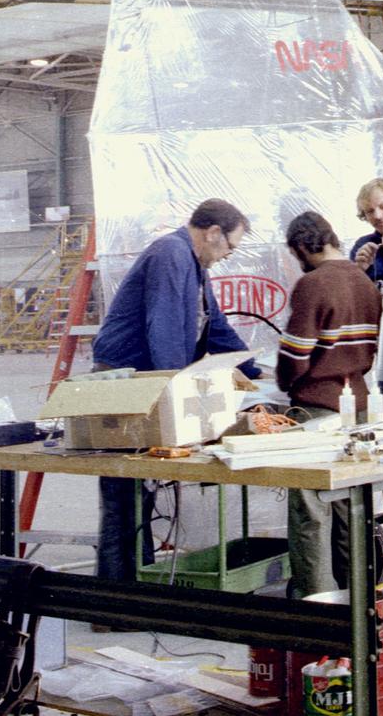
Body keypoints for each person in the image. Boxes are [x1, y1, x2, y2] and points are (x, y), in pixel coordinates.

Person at [91, 198, 259, 583]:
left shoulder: (196, 266)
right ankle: (113, 601)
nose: (228, 255)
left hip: (148, 382)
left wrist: (257, 370)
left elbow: (216, 327)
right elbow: (163, 327)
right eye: (230, 247)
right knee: (124, 500)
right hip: (126, 384)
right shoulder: (171, 253)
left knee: (140, 499)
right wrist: (177, 396)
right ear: (212, 233)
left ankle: (139, 592)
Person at [277, 211, 383, 598]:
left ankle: (317, 604)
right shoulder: (365, 283)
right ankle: (359, 603)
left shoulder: (313, 284)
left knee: (310, 511)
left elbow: (296, 355)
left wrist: (282, 383)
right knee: (351, 509)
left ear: (303, 247)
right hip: (359, 406)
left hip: (318, 407)